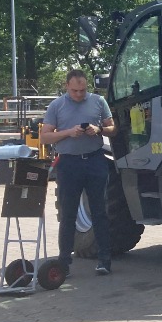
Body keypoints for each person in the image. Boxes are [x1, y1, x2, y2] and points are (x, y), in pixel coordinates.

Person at [40, 70, 118, 275]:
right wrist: (68, 132)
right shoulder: (57, 106)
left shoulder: (98, 101)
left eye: (82, 90)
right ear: (67, 86)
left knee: (99, 212)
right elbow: (45, 137)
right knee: (68, 214)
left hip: (95, 161)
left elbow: (113, 129)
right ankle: (64, 262)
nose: (79, 94)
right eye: (75, 91)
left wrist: (98, 129)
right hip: (68, 164)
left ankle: (104, 260)